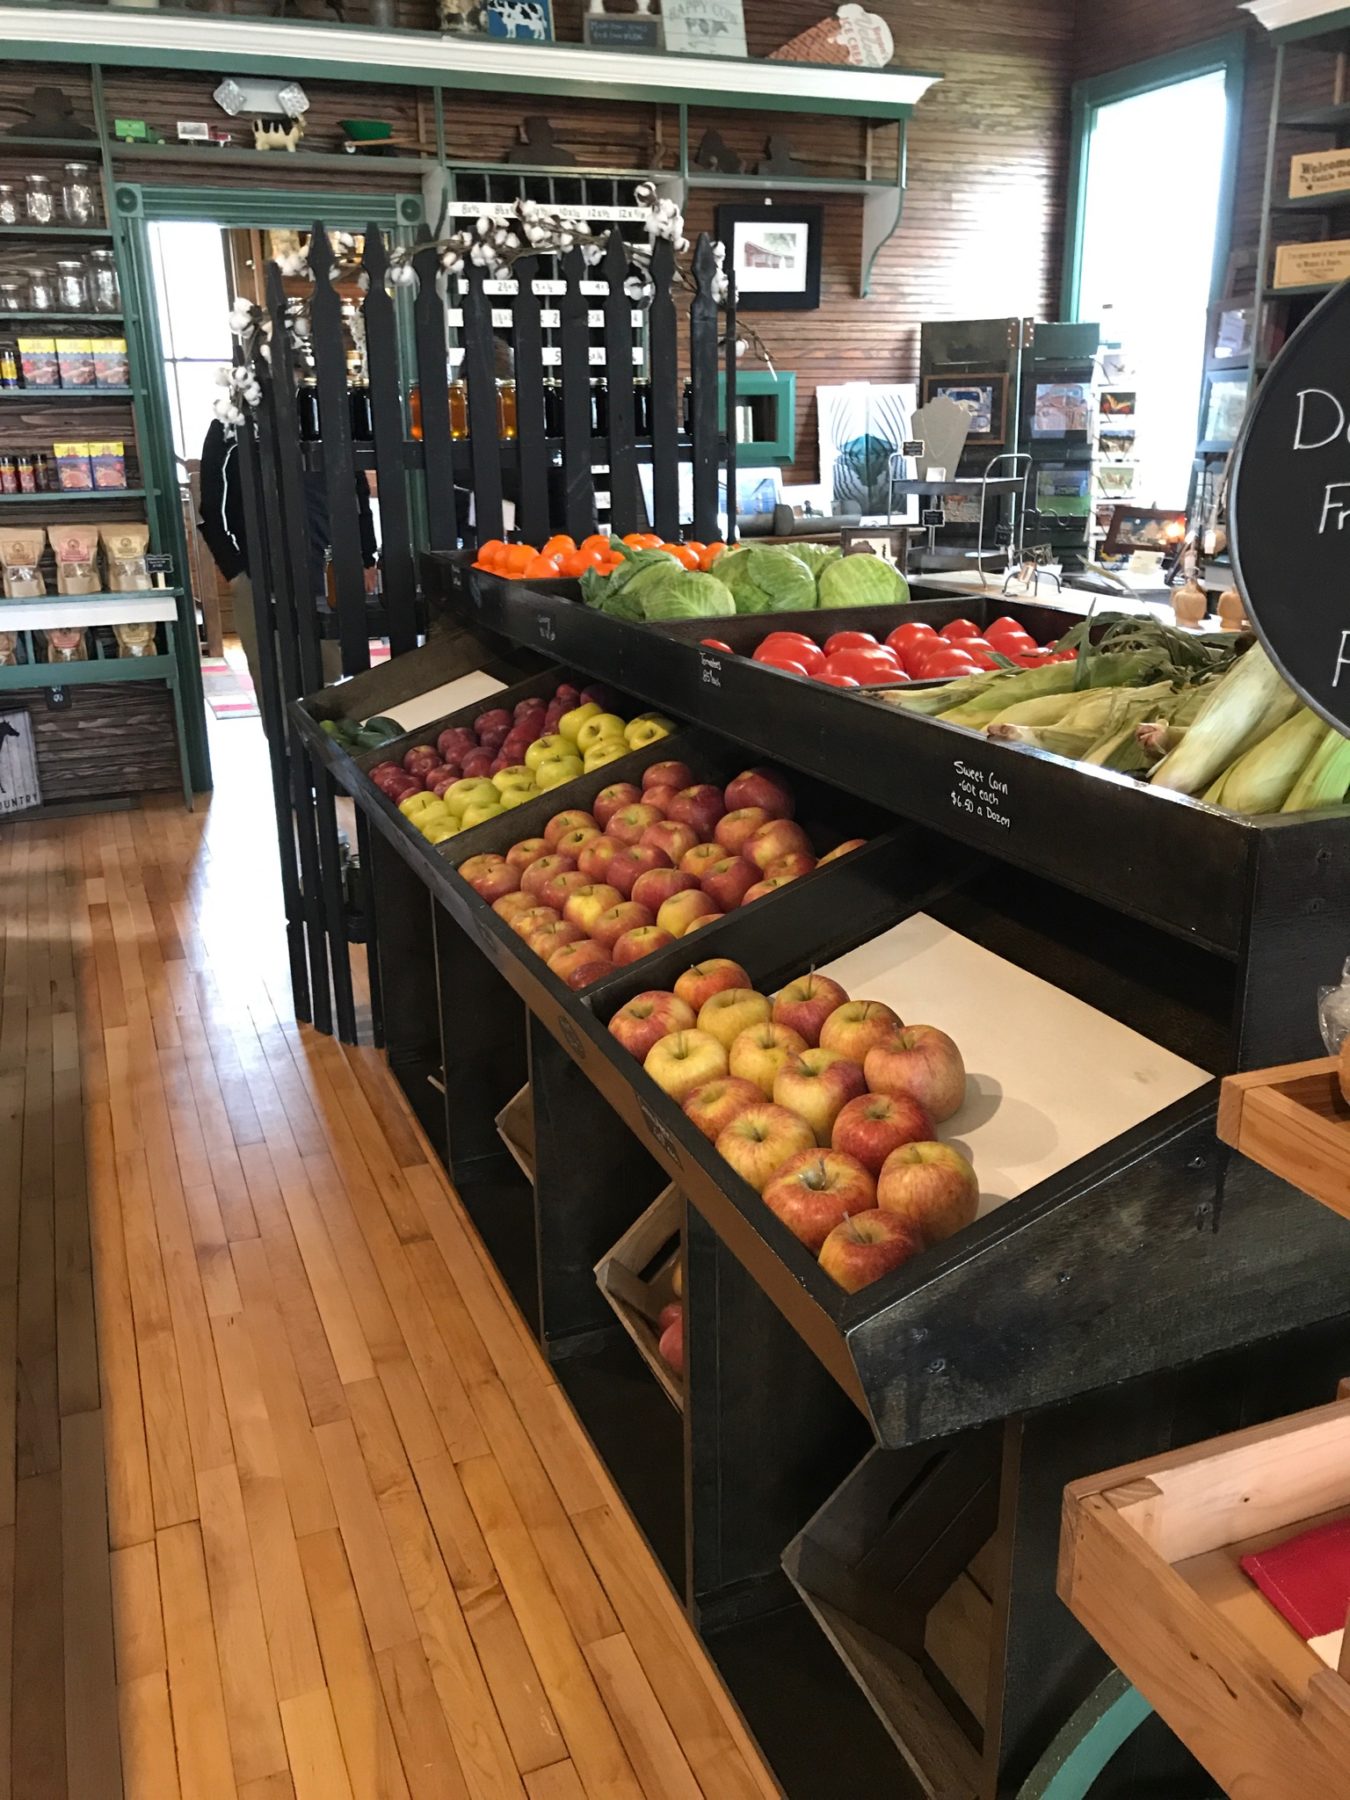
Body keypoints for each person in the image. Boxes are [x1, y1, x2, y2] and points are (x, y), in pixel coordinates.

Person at [197, 416, 379, 697]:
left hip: (325, 569)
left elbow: (358, 495)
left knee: (331, 674)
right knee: (272, 675)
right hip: (255, 573)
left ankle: (324, 742)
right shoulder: (230, 425)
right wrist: (235, 572)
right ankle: (281, 741)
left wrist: (367, 557)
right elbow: (210, 506)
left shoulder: (324, 418)